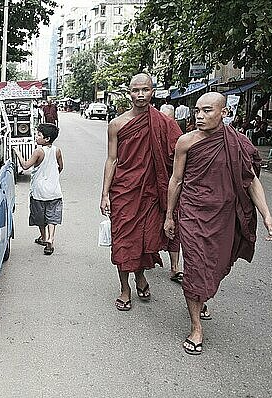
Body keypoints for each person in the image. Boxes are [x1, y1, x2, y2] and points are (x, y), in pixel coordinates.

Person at [164, 92, 272, 355]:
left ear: (224, 113)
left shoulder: (238, 143)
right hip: (192, 213)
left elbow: (251, 181)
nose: (200, 117)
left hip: (224, 216)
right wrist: (170, 215)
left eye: (207, 111)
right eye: (197, 112)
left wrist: (266, 214)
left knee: (215, 266)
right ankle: (195, 327)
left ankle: (201, 296)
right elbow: (176, 180)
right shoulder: (186, 142)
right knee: (194, 269)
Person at [100, 73, 183, 312]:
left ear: (152, 92)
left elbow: (179, 154)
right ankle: (124, 287)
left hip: (150, 193)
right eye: (135, 91)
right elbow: (112, 159)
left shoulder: (163, 123)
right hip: (124, 190)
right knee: (123, 240)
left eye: (145, 90)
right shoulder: (117, 124)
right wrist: (105, 193)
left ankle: (140, 276)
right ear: (129, 93)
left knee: (144, 239)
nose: (140, 95)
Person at [13, 123, 63, 255]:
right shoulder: (57, 150)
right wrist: (53, 176)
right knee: (52, 216)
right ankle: (51, 239)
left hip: (39, 191)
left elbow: (25, 166)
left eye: (39, 135)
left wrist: (18, 153)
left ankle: (44, 237)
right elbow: (60, 166)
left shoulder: (38, 152)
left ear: (46, 139)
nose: (36, 136)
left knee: (40, 217)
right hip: (54, 190)